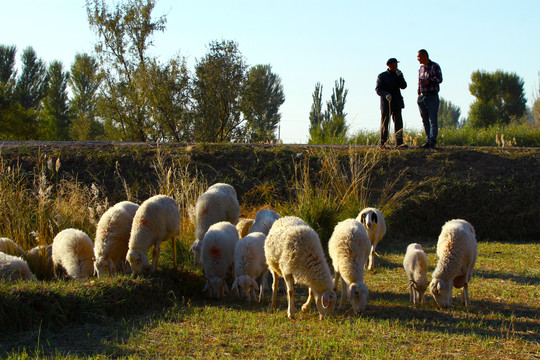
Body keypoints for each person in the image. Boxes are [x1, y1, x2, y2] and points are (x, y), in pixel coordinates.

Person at [375, 58, 407, 148]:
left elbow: (404, 86)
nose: (396, 67)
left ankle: (399, 143)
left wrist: (400, 76)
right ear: (389, 66)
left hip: (397, 102)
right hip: (386, 103)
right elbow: (378, 89)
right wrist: (386, 94)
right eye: (394, 65)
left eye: (396, 65)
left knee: (398, 123)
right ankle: (383, 143)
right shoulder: (382, 76)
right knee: (385, 123)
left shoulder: (398, 74)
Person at [417, 49, 443, 148]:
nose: (418, 59)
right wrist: (418, 93)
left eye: (419, 57)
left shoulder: (434, 66)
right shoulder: (421, 68)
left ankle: (432, 141)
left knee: (433, 120)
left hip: (432, 96)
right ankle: (428, 140)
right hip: (422, 97)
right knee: (425, 120)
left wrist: (429, 81)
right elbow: (419, 82)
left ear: (425, 56)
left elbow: (439, 79)